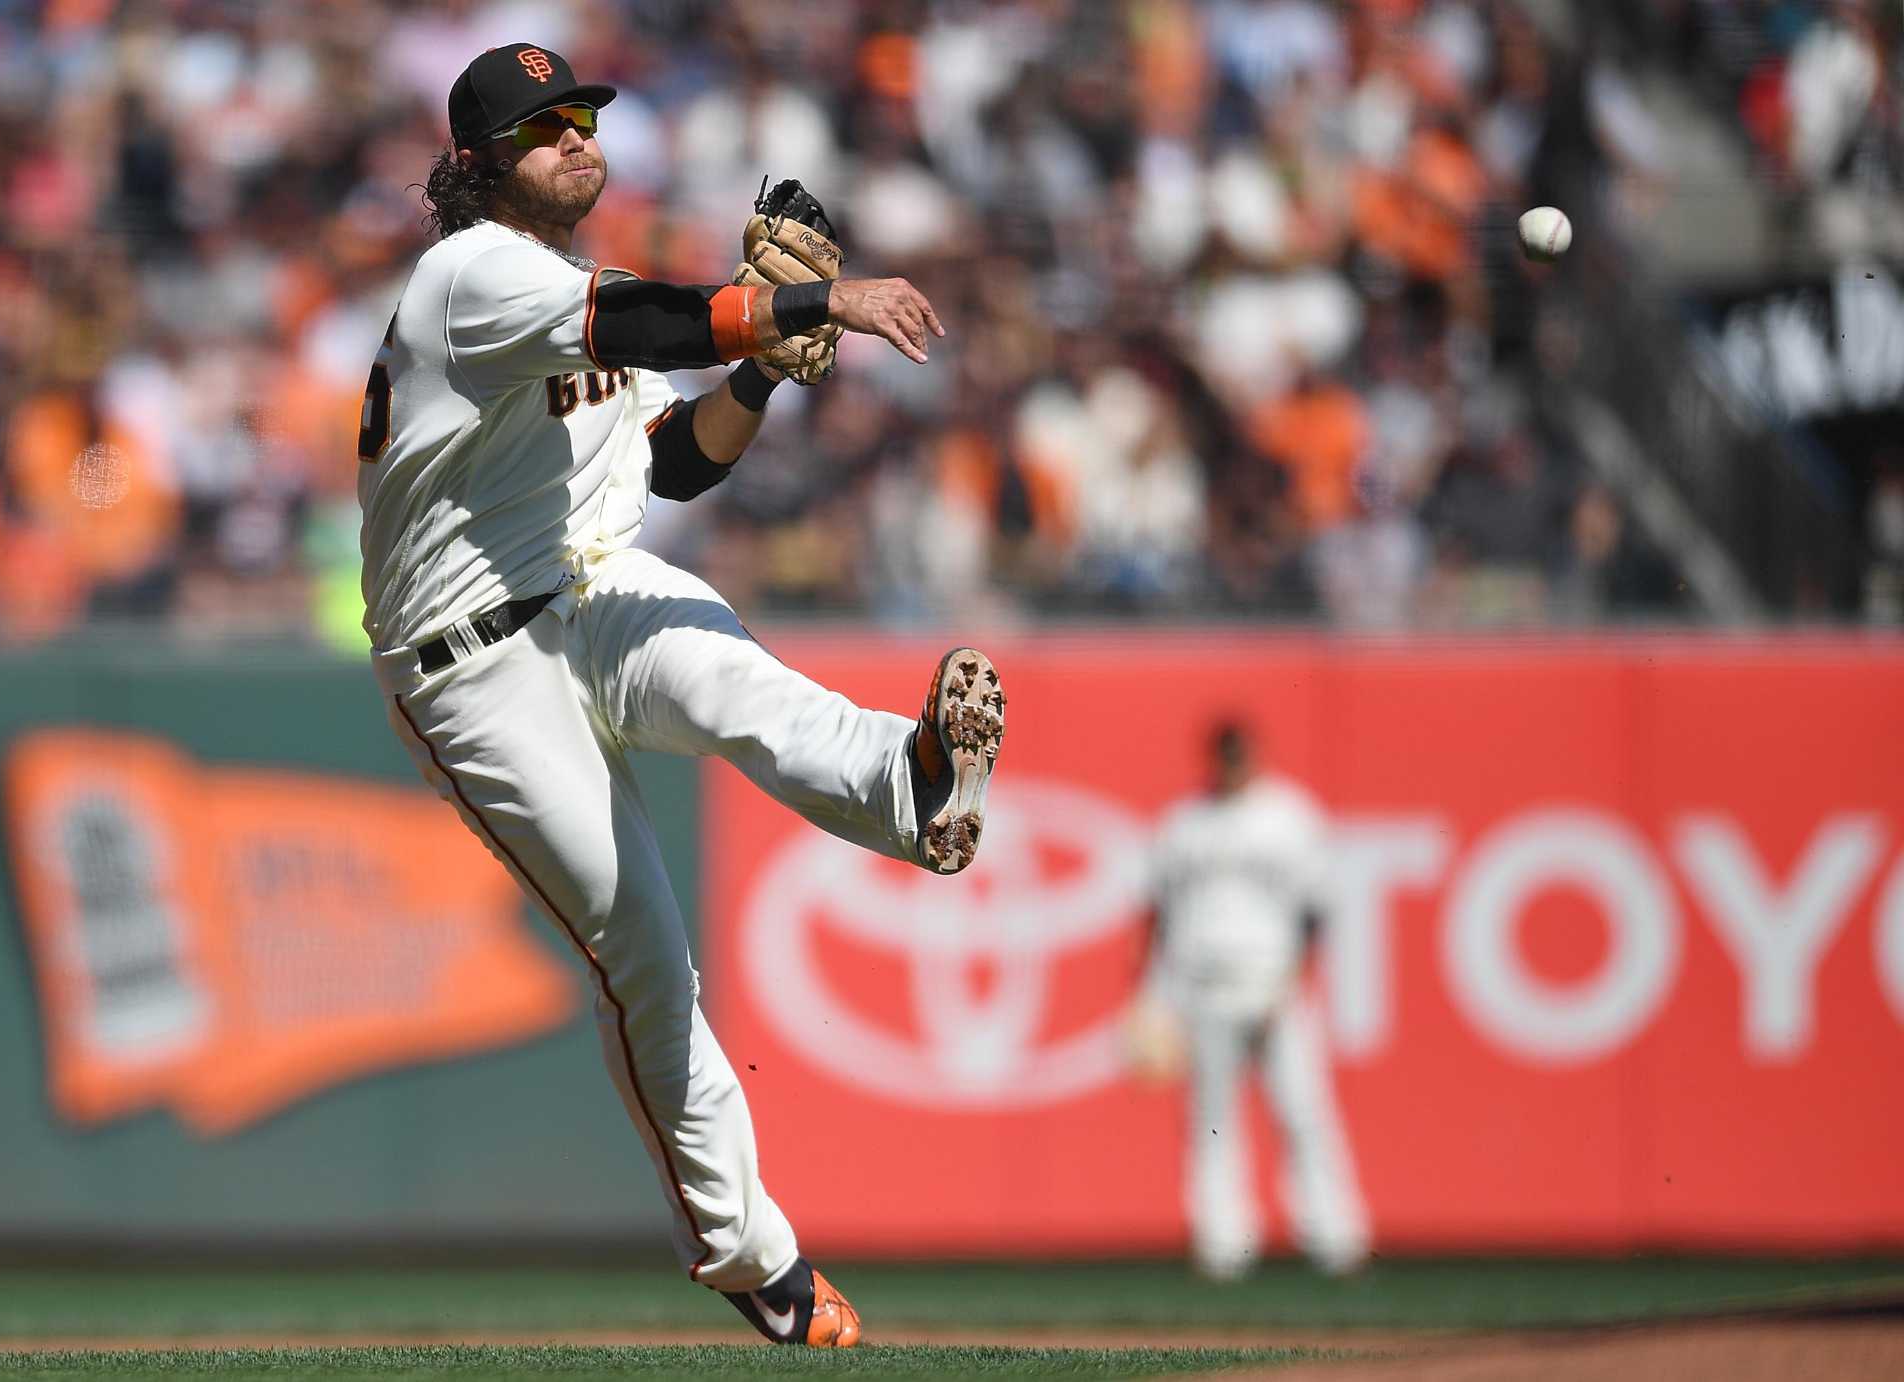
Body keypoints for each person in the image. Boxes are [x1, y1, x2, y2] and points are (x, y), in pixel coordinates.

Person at [355, 44, 1006, 1347]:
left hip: (587, 591)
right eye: (547, 129)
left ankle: (916, 781)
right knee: (650, 955)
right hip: (472, 665)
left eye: (584, 117)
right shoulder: (472, 279)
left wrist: (764, 370)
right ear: (481, 164)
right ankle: (752, 1259)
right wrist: (818, 300)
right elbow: (651, 322)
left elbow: (678, 462)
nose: (579, 141)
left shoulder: (563, 286)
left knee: (728, 675)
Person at [1130, 719, 1368, 1279]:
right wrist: (1148, 996)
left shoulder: (1289, 815)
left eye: (1241, 755)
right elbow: (1157, 916)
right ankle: (1222, 1245)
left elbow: (1316, 913)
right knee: (1213, 1121)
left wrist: (1291, 983)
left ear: (1255, 755)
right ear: (1214, 757)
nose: (1234, 765)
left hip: (1272, 984)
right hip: (1202, 986)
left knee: (1303, 1110)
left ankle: (1336, 1238)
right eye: (1226, 756)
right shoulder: (1185, 824)